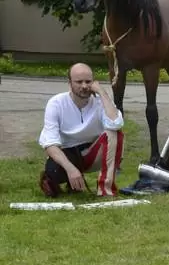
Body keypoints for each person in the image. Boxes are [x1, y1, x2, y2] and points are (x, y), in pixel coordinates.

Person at [38, 62, 125, 197]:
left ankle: (105, 189)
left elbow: (116, 123)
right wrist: (71, 169)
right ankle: (60, 181)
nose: (84, 86)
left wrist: (102, 92)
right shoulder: (56, 103)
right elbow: (50, 144)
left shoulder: (101, 101)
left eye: (88, 82)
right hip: (67, 153)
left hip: (92, 153)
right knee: (54, 173)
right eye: (79, 82)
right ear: (70, 83)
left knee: (115, 133)